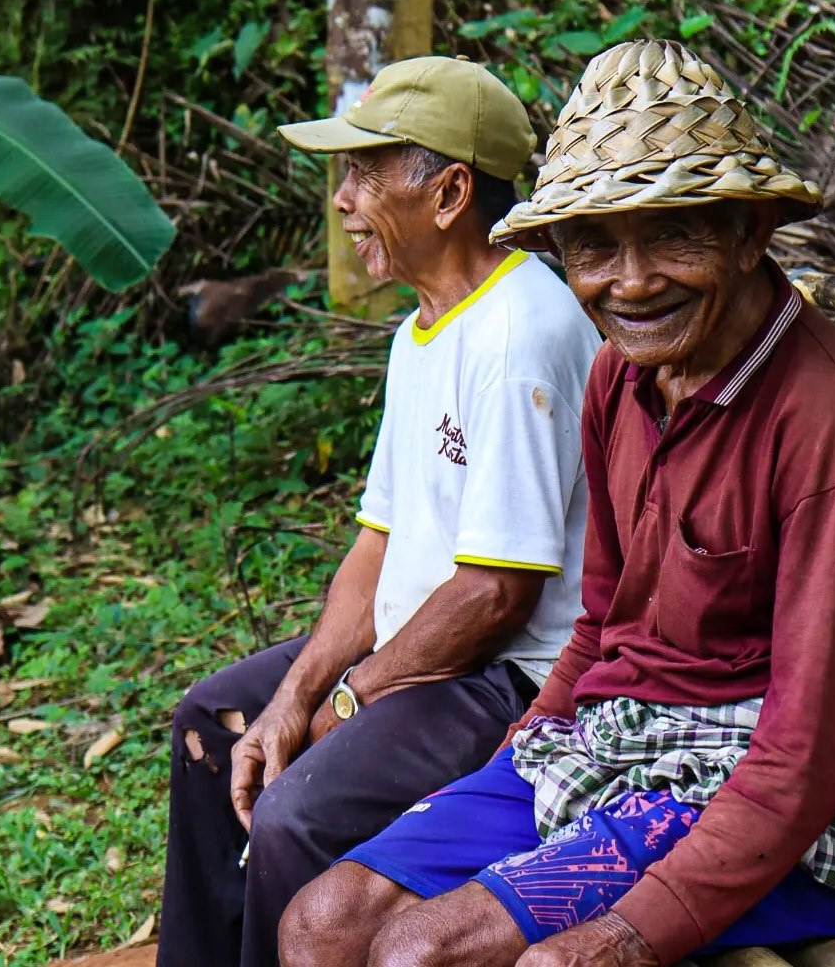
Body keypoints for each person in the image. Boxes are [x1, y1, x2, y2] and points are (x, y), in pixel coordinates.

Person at [278, 39, 835, 967]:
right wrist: (506, 775)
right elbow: (602, 622)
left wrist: (626, 935)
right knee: (321, 924)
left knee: (433, 952)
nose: (632, 280)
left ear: (750, 231)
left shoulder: (831, 411)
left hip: (808, 783)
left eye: (673, 233)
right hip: (629, 736)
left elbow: (808, 749)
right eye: (595, 246)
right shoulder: (620, 376)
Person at [156, 55, 601, 967]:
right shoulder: (421, 331)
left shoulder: (524, 330)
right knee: (216, 724)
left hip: (506, 676)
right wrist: (294, 697)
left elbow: (496, 598)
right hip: (425, 648)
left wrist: (348, 701)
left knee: (295, 812)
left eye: (363, 173)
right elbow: (379, 543)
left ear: (448, 193)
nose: (343, 198)